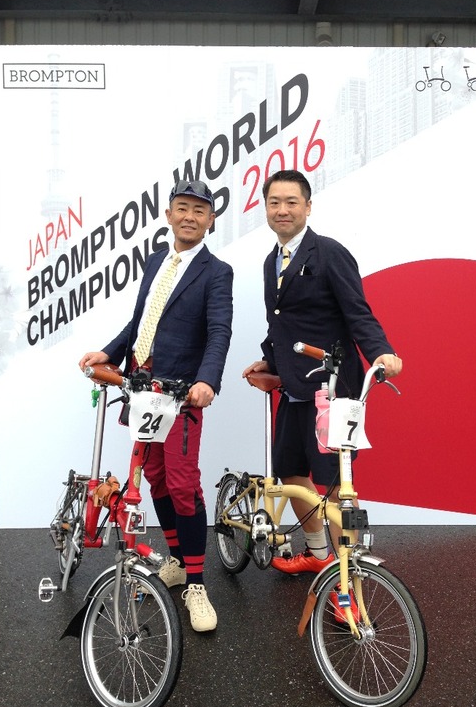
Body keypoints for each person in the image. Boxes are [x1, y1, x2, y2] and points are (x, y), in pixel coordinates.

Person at [79, 179, 233, 632]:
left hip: (182, 393)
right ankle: (178, 562)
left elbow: (219, 330)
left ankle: (197, 585)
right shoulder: (154, 261)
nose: (189, 217)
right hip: (141, 387)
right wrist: (109, 352)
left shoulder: (217, 271)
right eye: (182, 208)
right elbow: (141, 321)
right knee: (156, 478)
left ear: (210, 221)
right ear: (168, 214)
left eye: (199, 211)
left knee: (183, 485)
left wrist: (207, 380)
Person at [242, 169, 401, 574]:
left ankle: (351, 573)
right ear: (265, 208)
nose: (282, 210)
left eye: (291, 202)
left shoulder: (329, 252)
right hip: (294, 389)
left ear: (308, 207)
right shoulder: (271, 261)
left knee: (335, 484)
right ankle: (318, 555)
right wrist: (270, 360)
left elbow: (357, 313)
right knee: (291, 473)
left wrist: (381, 352)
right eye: (274, 202)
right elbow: (281, 322)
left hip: (332, 390)